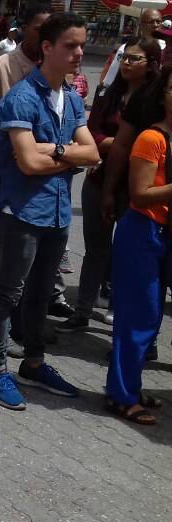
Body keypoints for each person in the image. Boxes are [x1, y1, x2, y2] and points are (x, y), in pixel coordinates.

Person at [0, 13, 100, 412]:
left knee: (39, 295)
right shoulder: (21, 97)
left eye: (81, 45)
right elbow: (29, 164)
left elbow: (94, 153)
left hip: (58, 213)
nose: (79, 52)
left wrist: (54, 149)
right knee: (6, 293)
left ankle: (33, 363)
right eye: (70, 45)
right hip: (22, 213)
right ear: (47, 48)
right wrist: (70, 154)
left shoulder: (73, 98)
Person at [58, 38, 162, 335]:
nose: (127, 63)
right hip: (99, 180)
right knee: (96, 248)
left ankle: (118, 310)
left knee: (126, 253)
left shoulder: (153, 100)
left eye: (135, 59)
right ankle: (82, 311)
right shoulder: (109, 93)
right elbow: (91, 132)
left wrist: (123, 149)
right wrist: (121, 146)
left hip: (136, 186)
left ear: (151, 64)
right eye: (125, 58)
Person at [0, 4, 59, 329]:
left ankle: (24, 325)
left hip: (46, 183)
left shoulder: (56, 70)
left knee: (35, 263)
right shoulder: (3, 67)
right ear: (23, 29)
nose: (47, 35)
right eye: (40, 28)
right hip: (7, 179)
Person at [104, 66, 172, 427]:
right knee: (138, 317)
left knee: (153, 317)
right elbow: (140, 195)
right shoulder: (151, 138)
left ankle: (130, 386)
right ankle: (121, 396)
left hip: (163, 235)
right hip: (141, 232)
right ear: (163, 94)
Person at [98, 9, 164, 92]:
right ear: (141, 25)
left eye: (158, 22)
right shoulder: (126, 48)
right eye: (151, 22)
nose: (155, 25)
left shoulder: (167, 48)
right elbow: (111, 79)